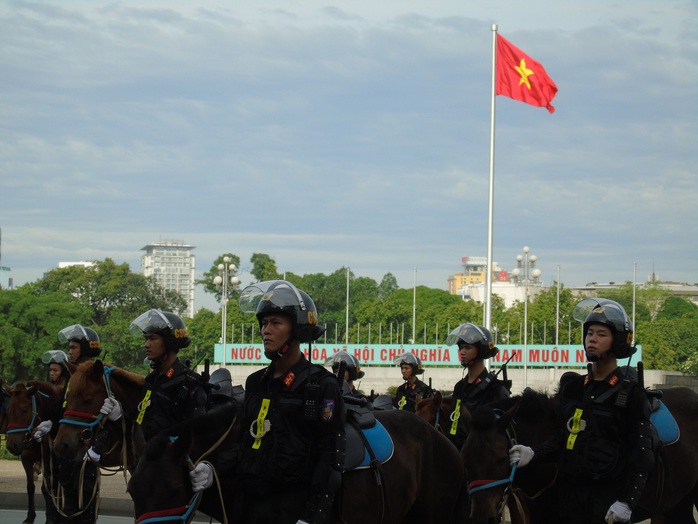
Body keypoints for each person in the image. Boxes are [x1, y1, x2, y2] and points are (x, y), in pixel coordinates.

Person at [509, 298, 656, 523]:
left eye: (601, 334)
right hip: (569, 497)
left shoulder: (631, 395)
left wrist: (627, 502)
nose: (592, 339)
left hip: (607, 500)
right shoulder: (575, 388)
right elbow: (561, 439)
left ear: (618, 341)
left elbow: (642, 455)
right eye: (589, 333)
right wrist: (533, 453)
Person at [235, 280, 346, 524]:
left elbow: (330, 457)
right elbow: (242, 441)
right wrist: (213, 469)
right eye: (264, 323)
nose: (266, 330)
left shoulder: (322, 385)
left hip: (293, 509)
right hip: (251, 505)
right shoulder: (256, 382)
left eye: (276, 323)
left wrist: (311, 516)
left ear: (297, 330)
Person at [98, 308, 215, 492]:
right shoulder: (152, 380)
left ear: (169, 342)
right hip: (146, 470)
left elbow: (199, 436)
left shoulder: (189, 384)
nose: (146, 344)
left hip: (171, 480)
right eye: (146, 338)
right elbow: (143, 421)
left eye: (152, 338)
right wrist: (119, 415)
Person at [33, 324, 102, 524]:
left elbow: (104, 418)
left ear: (86, 349)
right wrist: (50, 424)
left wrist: (97, 447)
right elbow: (64, 412)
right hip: (65, 451)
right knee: (54, 496)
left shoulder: (97, 377)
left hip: (83, 453)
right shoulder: (73, 376)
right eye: (69, 347)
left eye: (73, 347)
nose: (69, 351)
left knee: (82, 504)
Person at [446, 322, 510, 448]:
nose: (462, 352)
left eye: (467, 348)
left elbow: (501, 433)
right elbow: (453, 423)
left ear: (481, 350)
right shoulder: (459, 387)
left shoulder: (496, 389)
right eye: (461, 348)